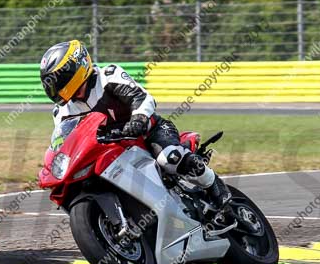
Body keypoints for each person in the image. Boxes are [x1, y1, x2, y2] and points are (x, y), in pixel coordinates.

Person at [39, 39, 231, 211]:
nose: (55, 88)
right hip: (109, 150)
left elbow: (142, 98)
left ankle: (214, 186)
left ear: (76, 68)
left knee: (169, 158)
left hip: (148, 132)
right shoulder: (62, 112)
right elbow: (64, 142)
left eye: (59, 80)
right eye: (51, 84)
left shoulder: (107, 76)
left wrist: (138, 119)